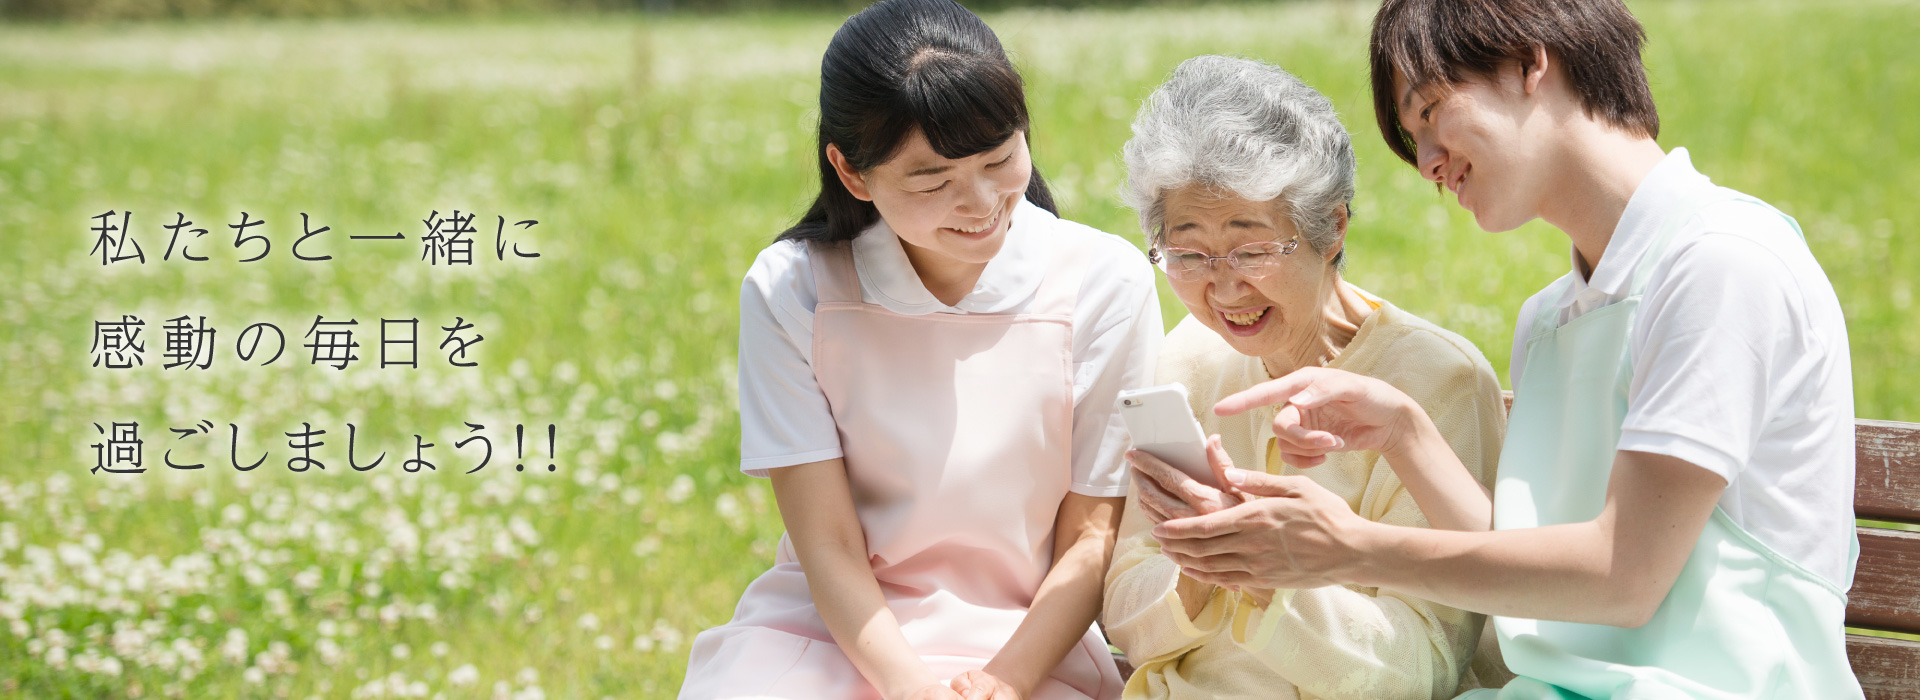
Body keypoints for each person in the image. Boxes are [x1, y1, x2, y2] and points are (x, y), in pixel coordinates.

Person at [1149, 1, 1865, 698]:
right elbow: (1535, 572)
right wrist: (1405, 431)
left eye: (1429, 112)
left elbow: (1625, 576)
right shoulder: (1550, 318)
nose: (1427, 162)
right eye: (1412, 138)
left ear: (1529, 63)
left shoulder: (1719, 265)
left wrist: (1343, 547)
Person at [678, 0, 1159, 698]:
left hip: (1028, 638)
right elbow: (830, 546)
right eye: (933, 181)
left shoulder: (1103, 281)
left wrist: (1001, 683)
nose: (982, 202)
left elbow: (1090, 540)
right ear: (850, 172)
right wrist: (910, 688)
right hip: (832, 631)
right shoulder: (795, 290)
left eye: (1000, 159)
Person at [1099, 55, 1511, 700]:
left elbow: (1427, 668)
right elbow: (1123, 612)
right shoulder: (1186, 358)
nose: (1223, 285)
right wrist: (1199, 571)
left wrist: (1266, 578)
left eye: (1253, 248)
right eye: (1187, 253)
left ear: (1332, 227)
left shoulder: (1440, 381)